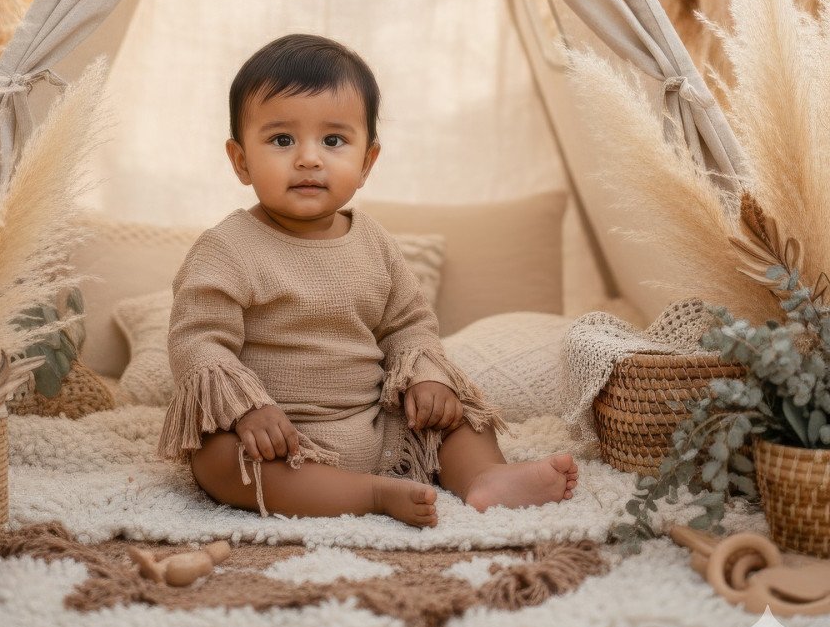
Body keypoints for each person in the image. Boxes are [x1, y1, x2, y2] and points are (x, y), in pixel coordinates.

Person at [158, 33, 578, 526]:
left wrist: (425, 376)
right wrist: (246, 409)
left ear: (366, 162)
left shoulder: (373, 242)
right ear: (241, 160)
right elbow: (198, 340)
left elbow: (408, 323)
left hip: (377, 425)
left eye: (333, 141)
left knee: (458, 407)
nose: (309, 158)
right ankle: (372, 495)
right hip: (278, 436)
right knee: (217, 461)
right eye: (282, 140)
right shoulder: (227, 248)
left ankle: (485, 477)